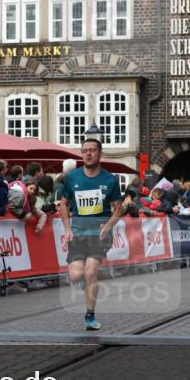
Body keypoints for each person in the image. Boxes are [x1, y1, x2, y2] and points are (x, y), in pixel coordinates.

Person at [59, 137, 123, 331]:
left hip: (99, 234)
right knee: (76, 275)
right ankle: (84, 284)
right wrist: (68, 229)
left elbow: (118, 209)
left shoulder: (110, 180)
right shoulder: (73, 178)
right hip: (78, 234)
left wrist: (109, 225)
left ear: (100, 153)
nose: (88, 153)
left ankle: (90, 315)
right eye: (84, 150)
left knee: (90, 271)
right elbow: (63, 203)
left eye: (92, 150)